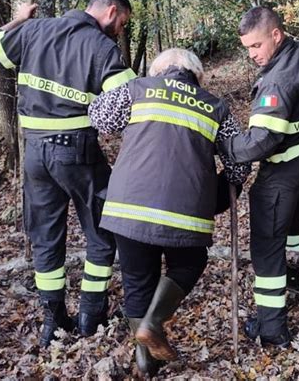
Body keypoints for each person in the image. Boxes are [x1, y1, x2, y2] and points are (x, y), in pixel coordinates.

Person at [0, 0, 137, 347]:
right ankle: (91, 314)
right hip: (78, 152)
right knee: (102, 232)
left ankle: (53, 320)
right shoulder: (102, 48)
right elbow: (130, 102)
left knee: (46, 238)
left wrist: (20, 19)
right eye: (122, 23)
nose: (120, 31)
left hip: (34, 155)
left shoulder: (34, 31)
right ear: (111, 12)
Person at [88, 48, 250, 375]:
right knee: (190, 262)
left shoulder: (137, 90)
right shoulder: (214, 106)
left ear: (158, 70)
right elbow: (240, 159)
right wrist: (223, 191)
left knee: (137, 280)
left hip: (127, 208)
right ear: (197, 74)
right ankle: (153, 322)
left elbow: (98, 116)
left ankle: (146, 364)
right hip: (186, 212)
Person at [218, 7, 299, 348]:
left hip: (283, 170)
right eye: (247, 49)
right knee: (293, 226)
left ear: (276, 35)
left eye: (256, 46)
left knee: (267, 247)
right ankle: (295, 278)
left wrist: (226, 148)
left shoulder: (277, 80)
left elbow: (261, 141)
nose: (253, 55)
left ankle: (272, 328)